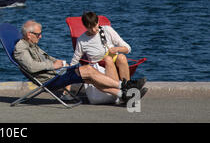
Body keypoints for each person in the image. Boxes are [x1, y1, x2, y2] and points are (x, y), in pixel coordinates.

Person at [13, 20, 147, 105]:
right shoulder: (21, 48)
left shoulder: (32, 44)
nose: (40, 36)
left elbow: (48, 58)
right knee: (88, 70)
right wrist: (52, 65)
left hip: (57, 73)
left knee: (91, 77)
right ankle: (126, 85)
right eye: (38, 34)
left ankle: (123, 95)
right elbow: (31, 67)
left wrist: (60, 63)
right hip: (51, 79)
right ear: (29, 34)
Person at [71, 12, 132, 82]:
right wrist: (69, 73)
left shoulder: (107, 30)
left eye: (95, 26)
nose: (93, 30)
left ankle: (128, 86)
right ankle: (119, 88)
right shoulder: (81, 40)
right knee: (108, 59)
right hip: (97, 68)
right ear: (85, 27)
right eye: (90, 28)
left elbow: (128, 48)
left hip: (113, 61)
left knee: (121, 57)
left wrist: (116, 49)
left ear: (98, 22)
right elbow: (76, 59)